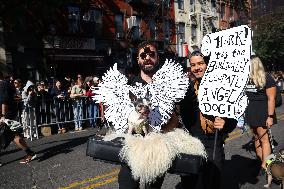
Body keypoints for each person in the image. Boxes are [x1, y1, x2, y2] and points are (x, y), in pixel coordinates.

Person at [118, 41, 198, 189]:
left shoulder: (170, 83)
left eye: (151, 54)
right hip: (133, 146)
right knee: (127, 184)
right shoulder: (128, 85)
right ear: (138, 59)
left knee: (152, 187)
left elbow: (188, 111)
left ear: (157, 58)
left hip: (158, 145)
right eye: (143, 55)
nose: (147, 58)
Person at [188, 50, 237, 189]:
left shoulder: (222, 87)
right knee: (191, 182)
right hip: (192, 143)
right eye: (193, 65)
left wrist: (225, 123)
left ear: (208, 64)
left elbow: (233, 115)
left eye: (200, 63)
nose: (196, 68)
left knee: (212, 182)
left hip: (213, 142)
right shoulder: (188, 88)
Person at [244, 56, 277, 175]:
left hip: (263, 112)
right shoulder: (247, 78)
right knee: (256, 137)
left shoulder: (267, 78)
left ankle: (265, 165)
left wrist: (270, 116)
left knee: (264, 139)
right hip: (250, 111)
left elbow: (271, 99)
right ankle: (260, 160)